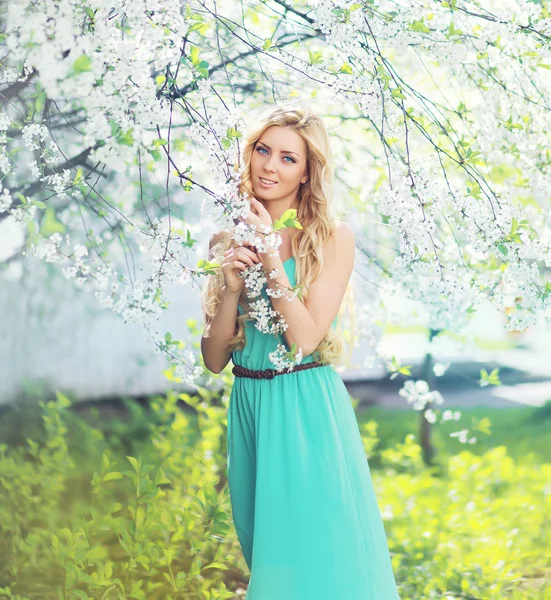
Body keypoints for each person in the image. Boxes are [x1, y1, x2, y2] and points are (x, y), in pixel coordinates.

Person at [201, 103, 400, 599]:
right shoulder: (228, 237)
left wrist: (270, 254)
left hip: (304, 400)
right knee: (266, 553)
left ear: (308, 172)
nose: (269, 166)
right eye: (263, 151)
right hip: (249, 402)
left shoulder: (332, 238)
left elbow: (304, 339)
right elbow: (213, 359)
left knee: (320, 549)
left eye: (288, 158)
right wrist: (229, 287)